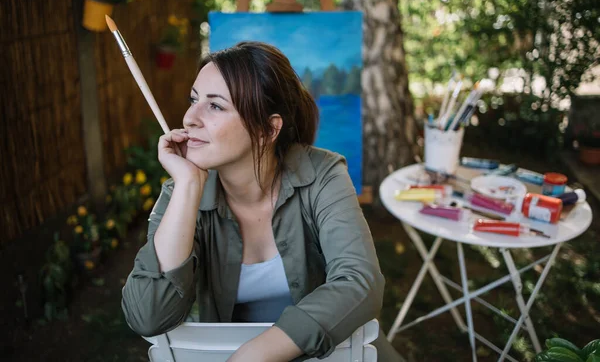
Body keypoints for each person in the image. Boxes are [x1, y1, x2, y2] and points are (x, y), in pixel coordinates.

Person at [122, 41, 402, 361]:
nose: (189, 118)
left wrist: (254, 355)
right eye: (194, 100)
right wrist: (186, 187)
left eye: (214, 106)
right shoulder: (181, 194)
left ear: (268, 130)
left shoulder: (322, 173)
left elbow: (359, 283)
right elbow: (147, 316)